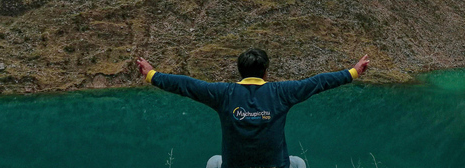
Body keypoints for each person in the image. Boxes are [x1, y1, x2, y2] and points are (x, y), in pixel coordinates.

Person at [136, 49, 370, 168]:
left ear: (240, 70)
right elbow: (319, 82)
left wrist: (152, 75)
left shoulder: (223, 94)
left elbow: (185, 85)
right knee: (298, 163)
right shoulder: (282, 93)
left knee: (213, 162)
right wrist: (353, 72)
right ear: (266, 71)